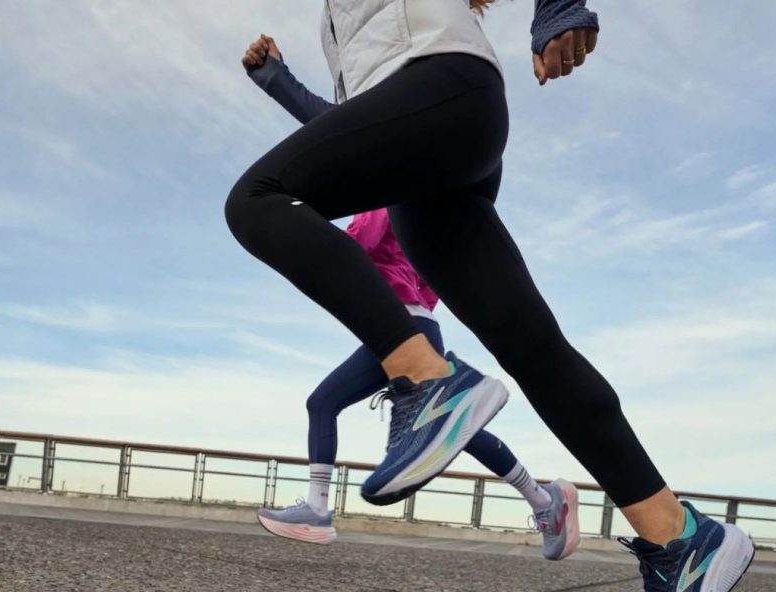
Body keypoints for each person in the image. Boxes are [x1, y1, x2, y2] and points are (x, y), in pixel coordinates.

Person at [224, 0, 754, 592]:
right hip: (428, 141)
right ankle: (681, 538)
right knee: (530, 345)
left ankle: (427, 382)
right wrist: (278, 80)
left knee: (257, 200)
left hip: (442, 87)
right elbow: (350, 132)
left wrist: (558, 7)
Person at [244, 38, 578, 561]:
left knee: (323, 403)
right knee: (453, 434)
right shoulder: (412, 192)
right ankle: (542, 498)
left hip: (408, 327)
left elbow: (349, 244)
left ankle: (316, 508)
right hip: (417, 324)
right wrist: (276, 80)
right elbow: (331, 123)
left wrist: (302, 238)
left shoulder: (390, 196)